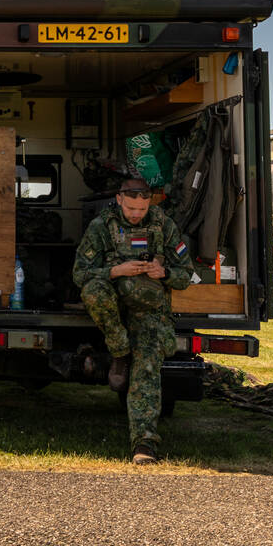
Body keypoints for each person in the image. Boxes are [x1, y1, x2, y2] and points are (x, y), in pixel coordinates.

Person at [72, 178, 195, 465]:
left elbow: (187, 273)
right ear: (118, 200)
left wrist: (163, 273)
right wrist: (117, 271)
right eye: (130, 208)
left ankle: (145, 444)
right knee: (93, 292)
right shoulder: (102, 226)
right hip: (113, 304)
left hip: (149, 310)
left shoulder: (164, 225)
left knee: (147, 368)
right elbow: (80, 274)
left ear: (149, 202)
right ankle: (119, 352)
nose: (136, 214)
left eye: (141, 208)